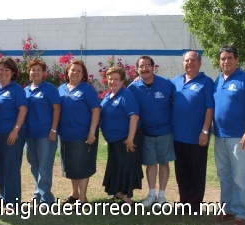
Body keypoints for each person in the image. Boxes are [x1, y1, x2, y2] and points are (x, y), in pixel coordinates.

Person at [213, 45, 245, 225]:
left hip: (239, 137)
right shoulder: (218, 80)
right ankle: (228, 209)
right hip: (220, 136)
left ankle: (241, 214)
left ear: (236, 60)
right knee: (224, 176)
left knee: (239, 176)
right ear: (219, 61)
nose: (226, 61)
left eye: (230, 57)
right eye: (223, 58)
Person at [128, 55, 175, 207]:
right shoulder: (133, 87)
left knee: (164, 163)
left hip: (165, 132)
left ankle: (161, 196)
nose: (145, 68)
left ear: (153, 67)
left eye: (148, 65)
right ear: (137, 69)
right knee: (150, 164)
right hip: (146, 133)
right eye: (141, 66)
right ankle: (151, 195)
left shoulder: (166, 84)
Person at [171, 50, 214, 213]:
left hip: (197, 137)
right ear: (183, 63)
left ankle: (195, 206)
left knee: (196, 172)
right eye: (187, 60)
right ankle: (183, 203)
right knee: (181, 172)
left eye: (193, 60)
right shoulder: (175, 81)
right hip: (178, 136)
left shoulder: (206, 82)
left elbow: (210, 107)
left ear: (199, 63)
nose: (190, 63)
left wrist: (205, 130)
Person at [58, 59, 100, 205]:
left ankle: (83, 198)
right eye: (72, 69)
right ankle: (74, 194)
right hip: (65, 135)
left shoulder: (87, 90)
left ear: (83, 75)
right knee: (71, 166)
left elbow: (96, 110)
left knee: (82, 166)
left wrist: (92, 131)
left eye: (79, 71)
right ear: (67, 72)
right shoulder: (61, 89)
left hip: (82, 135)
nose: (75, 72)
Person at [0, 57, 28, 211]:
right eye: (1, 69)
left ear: (13, 73)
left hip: (13, 133)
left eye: (7, 70)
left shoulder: (16, 89)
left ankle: (13, 202)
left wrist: (15, 130)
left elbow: (23, 110)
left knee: (11, 167)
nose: (3, 72)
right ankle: (3, 197)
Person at [100, 66, 143, 205]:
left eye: (116, 79)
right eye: (110, 78)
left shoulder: (126, 95)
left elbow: (134, 117)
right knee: (116, 166)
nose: (112, 81)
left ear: (122, 80)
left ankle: (127, 198)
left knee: (126, 168)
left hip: (125, 139)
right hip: (113, 140)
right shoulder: (108, 95)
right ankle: (117, 192)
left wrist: (130, 138)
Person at [24, 59, 60, 205]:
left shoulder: (50, 89)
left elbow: (57, 109)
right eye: (33, 69)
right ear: (29, 72)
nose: (36, 72)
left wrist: (53, 129)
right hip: (29, 134)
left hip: (45, 134)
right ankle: (38, 193)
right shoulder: (25, 90)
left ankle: (46, 198)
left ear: (44, 73)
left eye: (39, 69)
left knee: (45, 165)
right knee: (34, 164)